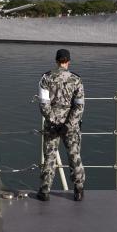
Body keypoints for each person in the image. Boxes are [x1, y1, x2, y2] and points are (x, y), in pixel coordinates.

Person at [37, 48, 85, 202]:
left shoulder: (46, 78)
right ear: (68, 61)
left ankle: (45, 191)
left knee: (50, 156)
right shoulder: (76, 80)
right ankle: (78, 190)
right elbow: (79, 106)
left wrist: (54, 122)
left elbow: (44, 105)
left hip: (52, 125)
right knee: (74, 156)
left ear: (56, 60)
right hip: (71, 125)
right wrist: (68, 125)